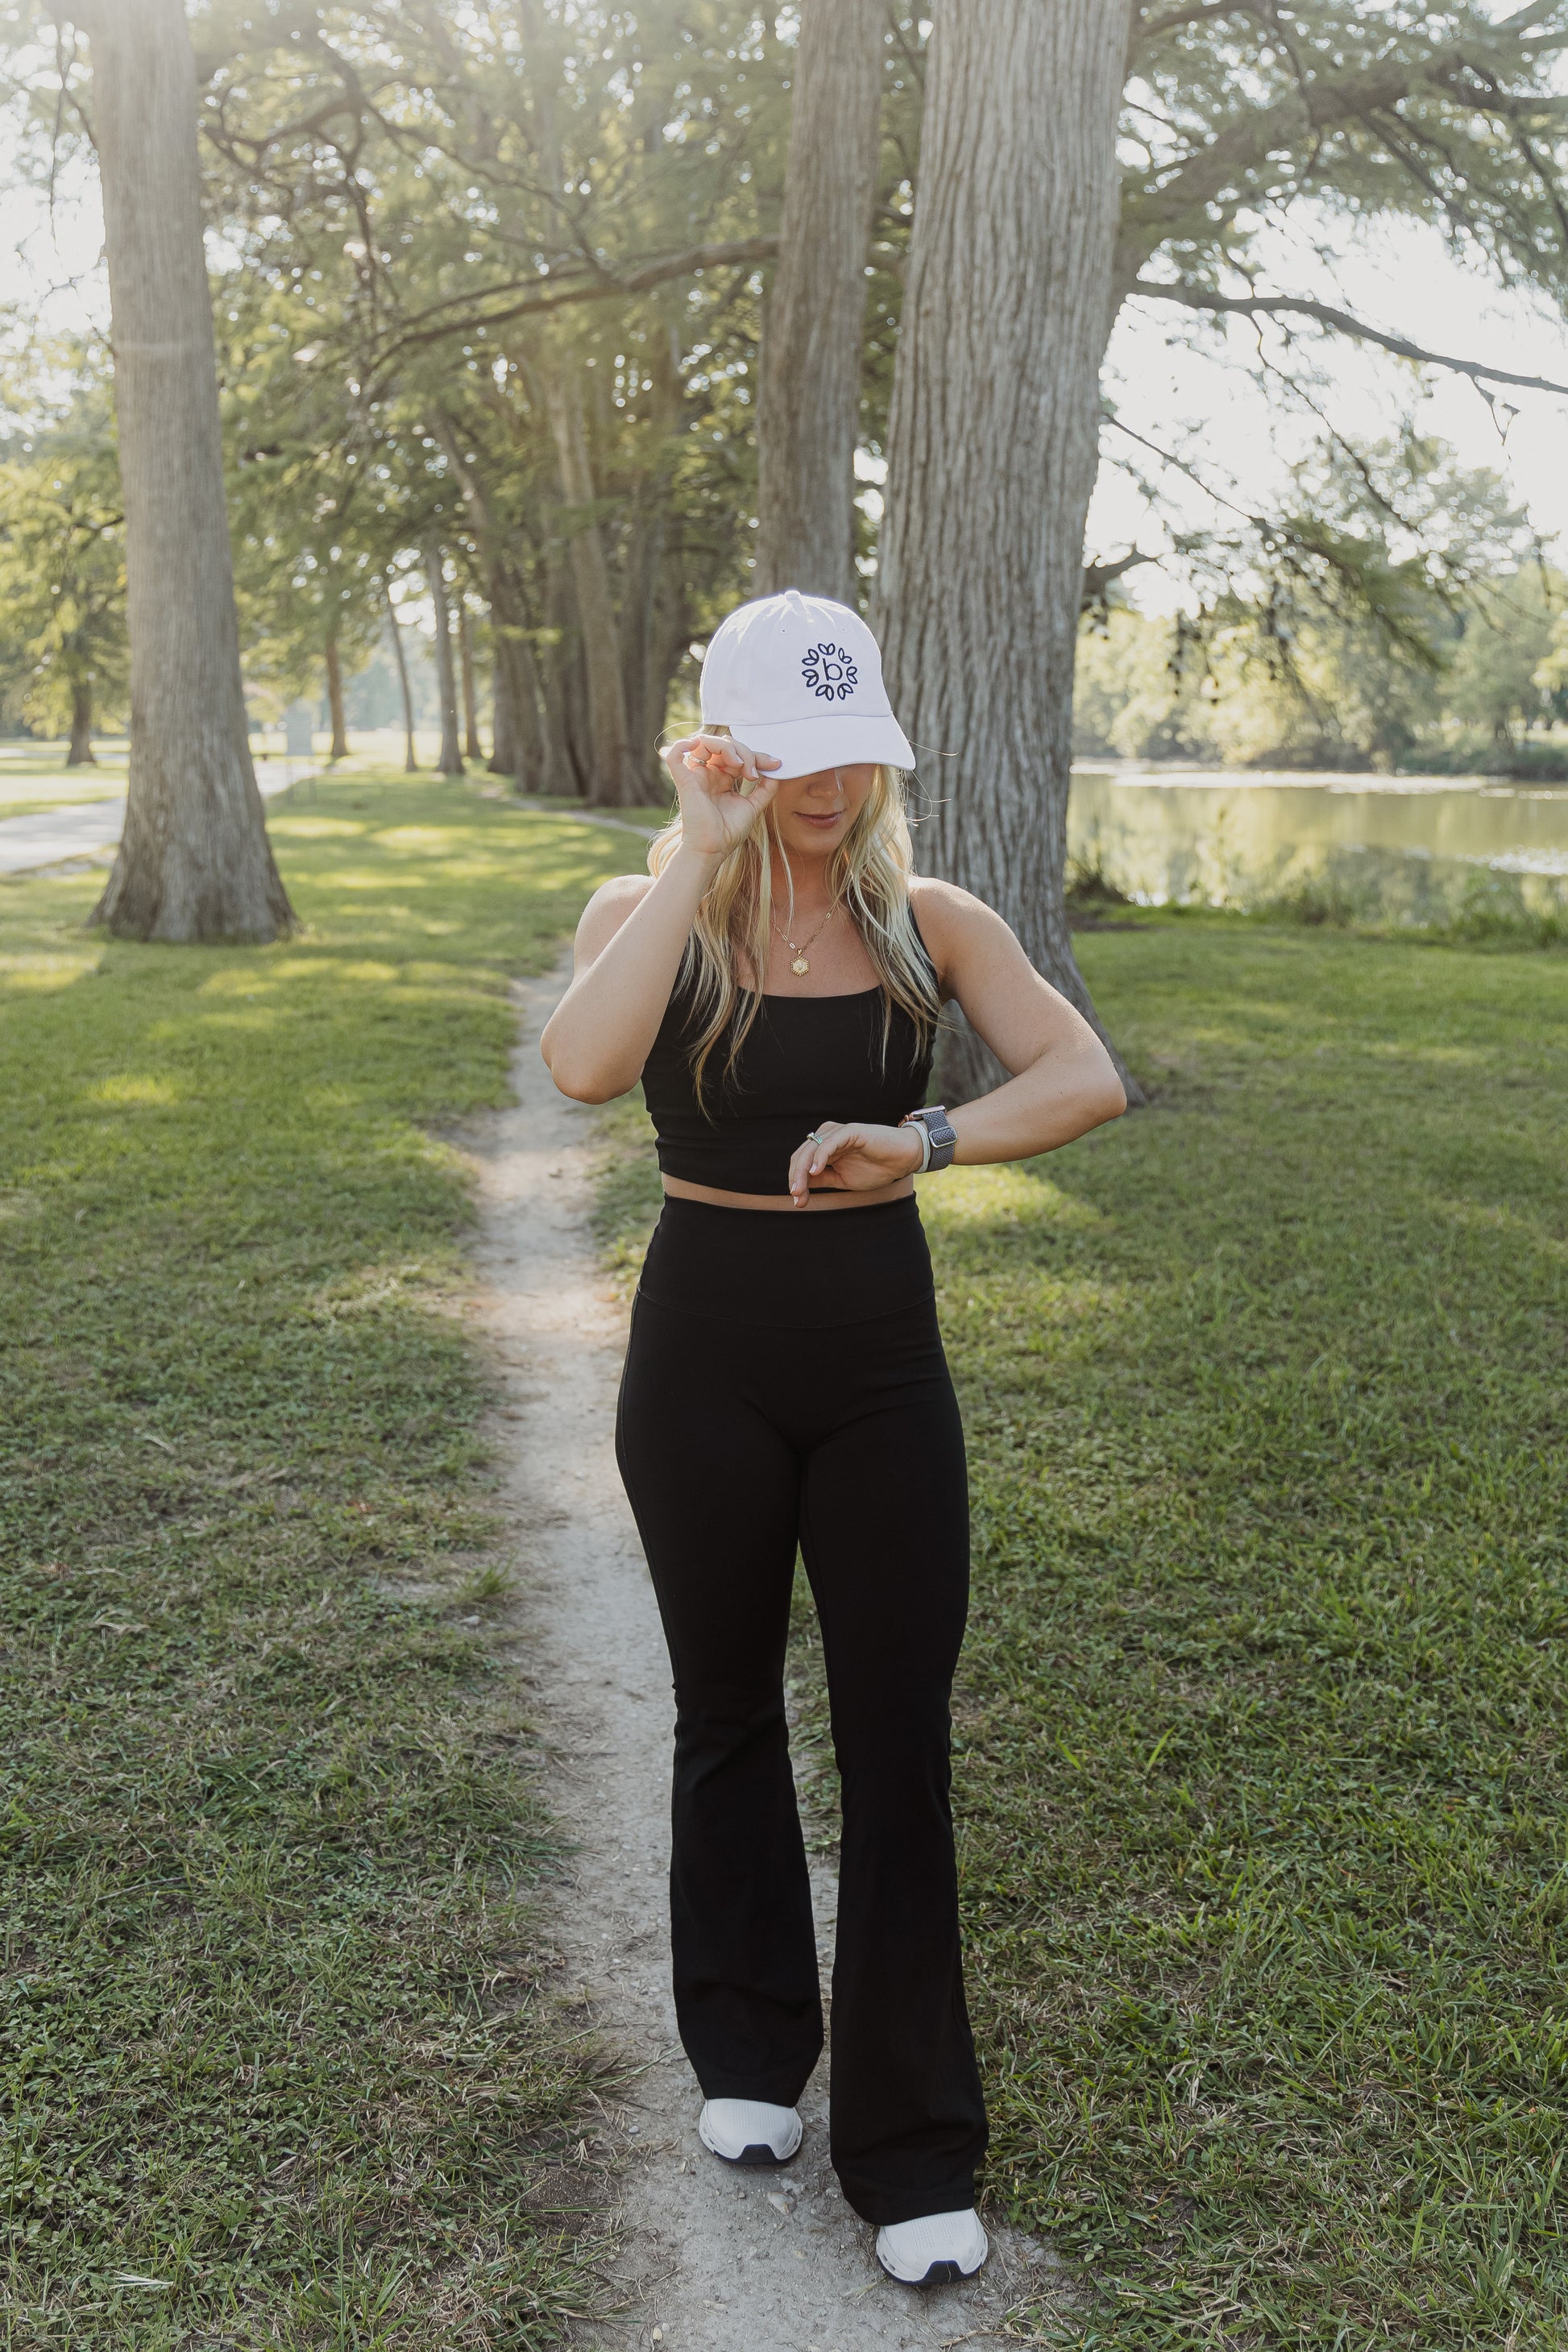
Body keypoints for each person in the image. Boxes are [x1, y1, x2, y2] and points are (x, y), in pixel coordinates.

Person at [541, 589, 1125, 2288]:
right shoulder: (646, 905)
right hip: (699, 1363)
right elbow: (581, 1065)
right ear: (726, 745)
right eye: (787, 754)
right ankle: (743, 2055)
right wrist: (689, 849)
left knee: (897, 1737)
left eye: (849, 749)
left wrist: (925, 1136)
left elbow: (1079, 1076)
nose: (823, 784)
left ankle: (912, 2140)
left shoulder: (929, 918)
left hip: (879, 1368)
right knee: (725, 1708)